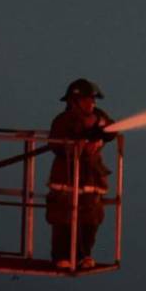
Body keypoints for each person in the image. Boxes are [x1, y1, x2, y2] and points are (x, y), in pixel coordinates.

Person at [47, 78, 115, 271]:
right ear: (74, 101)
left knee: (91, 219)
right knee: (63, 218)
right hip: (66, 178)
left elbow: (112, 130)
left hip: (92, 177)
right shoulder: (62, 121)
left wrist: (99, 140)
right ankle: (61, 256)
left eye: (93, 99)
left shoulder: (99, 116)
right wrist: (76, 147)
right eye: (87, 99)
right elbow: (55, 145)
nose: (92, 103)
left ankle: (84, 255)